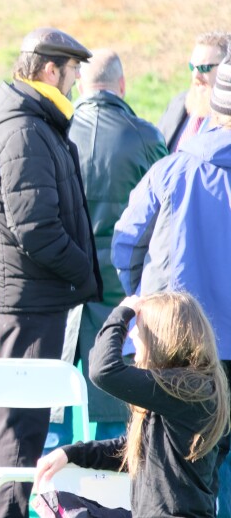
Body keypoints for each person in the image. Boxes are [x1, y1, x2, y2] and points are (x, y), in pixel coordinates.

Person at [0, 27, 102, 518]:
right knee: (18, 426)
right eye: (72, 71)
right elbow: (37, 229)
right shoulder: (25, 129)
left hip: (30, 298)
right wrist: (85, 275)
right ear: (51, 70)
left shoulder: (31, 123)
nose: (74, 82)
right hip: (29, 302)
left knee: (15, 423)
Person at [113, 56, 231, 518]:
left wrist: (145, 306)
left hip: (168, 348)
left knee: (165, 473)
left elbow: (125, 245)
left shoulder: (170, 170)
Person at [45, 49, 169, 451]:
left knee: (53, 414)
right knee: (118, 426)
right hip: (122, 299)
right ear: (122, 84)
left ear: (80, 84)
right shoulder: (145, 136)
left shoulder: (53, 131)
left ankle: (50, 508)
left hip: (62, 291)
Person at [35, 292, 229, 517]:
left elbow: (103, 371)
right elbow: (136, 450)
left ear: (162, 337)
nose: (134, 338)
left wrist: (122, 313)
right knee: (59, 502)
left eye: (139, 331)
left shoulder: (188, 389)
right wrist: (71, 453)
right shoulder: (189, 389)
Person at [157, 31, 231, 152]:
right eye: (192, 67)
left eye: (204, 68)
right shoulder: (178, 104)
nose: (196, 75)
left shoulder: (228, 120)